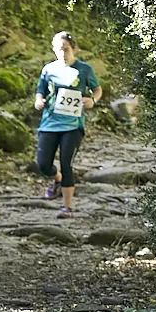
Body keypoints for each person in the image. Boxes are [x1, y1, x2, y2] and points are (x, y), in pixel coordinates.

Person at [34, 31, 102, 219]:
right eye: (59, 50)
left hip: (73, 124)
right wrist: (39, 101)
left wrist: (93, 100)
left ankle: (66, 207)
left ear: (74, 49)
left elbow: (97, 89)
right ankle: (57, 180)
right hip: (49, 123)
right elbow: (40, 91)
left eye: (66, 49)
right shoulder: (48, 69)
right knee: (43, 165)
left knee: (66, 163)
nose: (62, 53)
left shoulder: (84, 69)